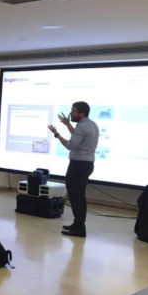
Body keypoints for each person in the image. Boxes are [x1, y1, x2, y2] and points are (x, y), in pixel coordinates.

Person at [48, 101, 99, 238]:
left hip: (78, 166)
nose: (70, 113)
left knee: (75, 197)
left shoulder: (82, 127)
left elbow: (70, 145)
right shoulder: (91, 124)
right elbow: (77, 135)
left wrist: (57, 134)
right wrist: (67, 124)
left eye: (73, 111)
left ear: (81, 113)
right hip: (87, 165)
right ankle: (78, 225)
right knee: (80, 196)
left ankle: (79, 229)